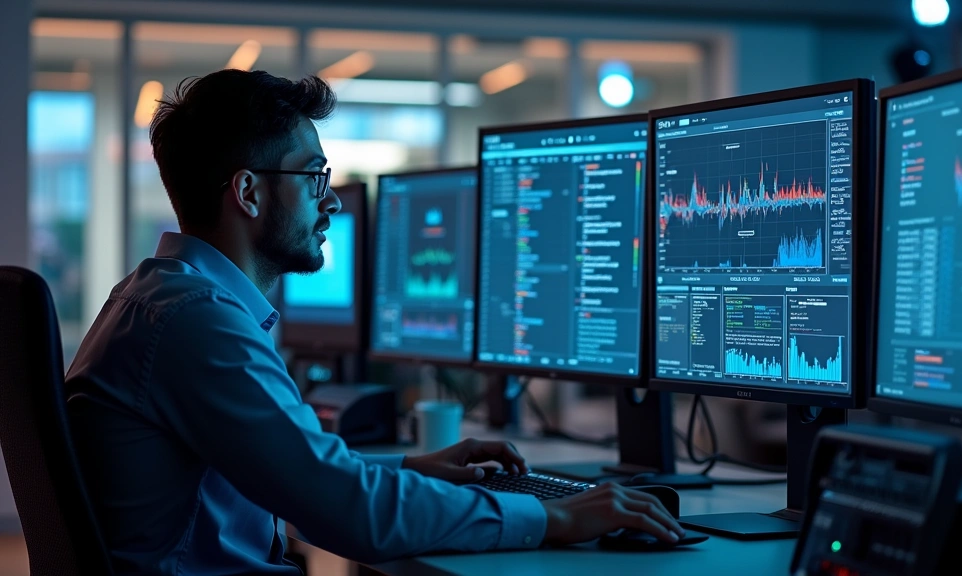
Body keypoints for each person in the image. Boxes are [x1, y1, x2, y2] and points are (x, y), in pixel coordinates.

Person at [65, 69, 684, 575]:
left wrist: (411, 470)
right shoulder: (198, 323)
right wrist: (556, 517)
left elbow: (303, 478)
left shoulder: (158, 298)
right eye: (313, 176)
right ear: (248, 193)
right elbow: (347, 515)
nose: (331, 199)